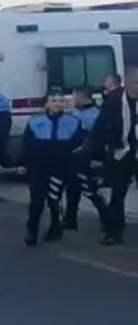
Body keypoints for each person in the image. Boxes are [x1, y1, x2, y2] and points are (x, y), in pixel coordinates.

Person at [19, 91, 84, 246]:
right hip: (38, 167)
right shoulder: (35, 121)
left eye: (60, 100)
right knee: (36, 200)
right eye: (54, 100)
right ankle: (32, 231)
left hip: (60, 168)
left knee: (55, 199)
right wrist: (23, 164)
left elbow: (79, 145)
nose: (57, 103)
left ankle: (56, 227)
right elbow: (26, 145)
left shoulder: (73, 121)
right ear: (47, 103)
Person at [93, 70, 138, 245]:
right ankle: (114, 231)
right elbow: (100, 127)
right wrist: (107, 146)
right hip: (122, 152)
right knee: (118, 193)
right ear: (127, 83)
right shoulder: (114, 100)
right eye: (135, 83)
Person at [63, 87, 107, 231]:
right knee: (72, 189)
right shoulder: (78, 113)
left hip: (85, 158)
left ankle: (107, 219)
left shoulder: (93, 116)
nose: (73, 100)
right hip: (74, 157)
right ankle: (70, 219)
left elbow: (94, 140)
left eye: (75, 97)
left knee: (90, 190)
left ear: (82, 98)